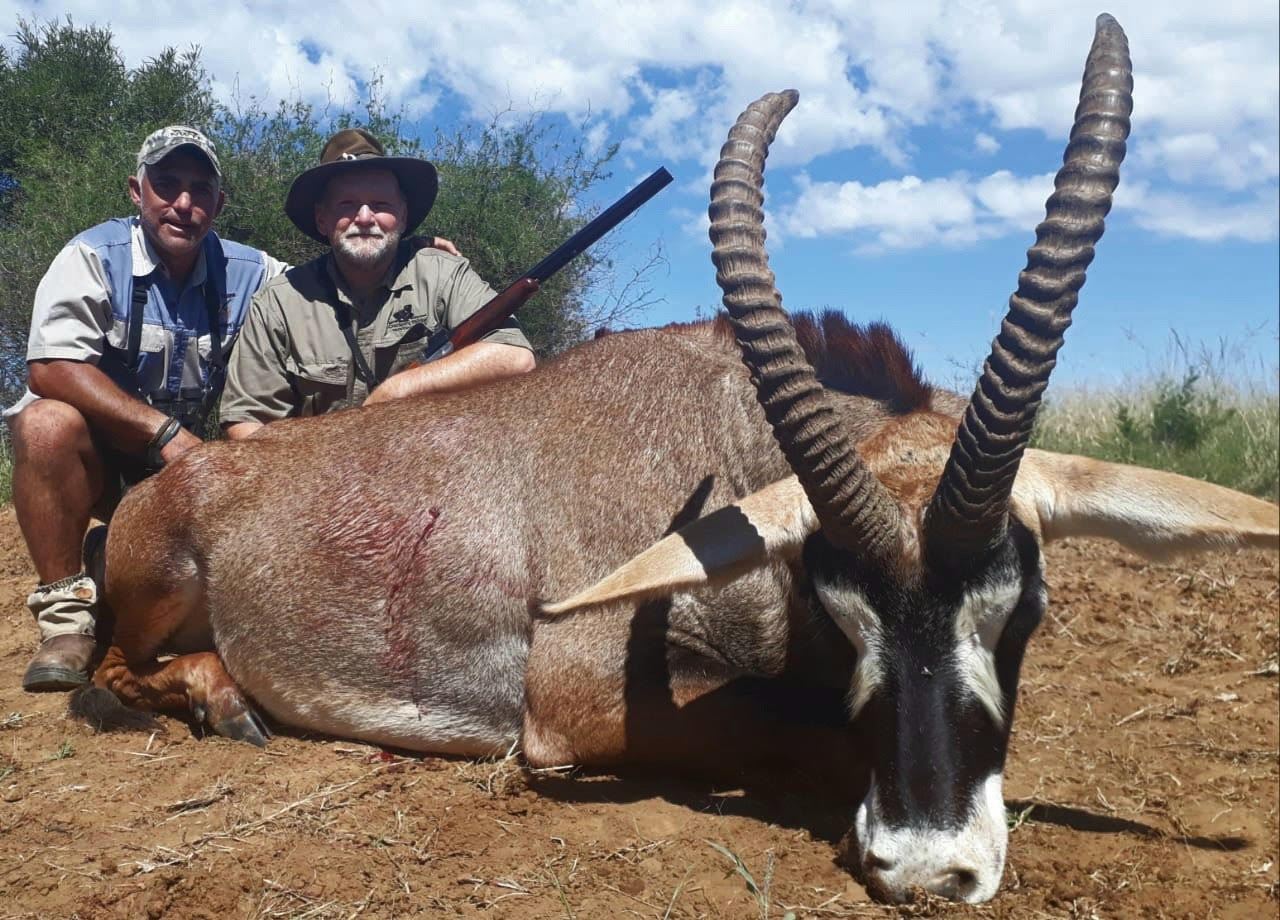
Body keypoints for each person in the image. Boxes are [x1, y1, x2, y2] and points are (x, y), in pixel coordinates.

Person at [3, 126, 287, 691]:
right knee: (43, 422)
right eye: (167, 184)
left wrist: (409, 252)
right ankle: (66, 620)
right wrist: (165, 434)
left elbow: (327, 286)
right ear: (137, 191)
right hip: (111, 464)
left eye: (200, 190)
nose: (183, 203)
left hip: (186, 476)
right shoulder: (91, 256)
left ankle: (111, 561)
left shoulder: (256, 271)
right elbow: (50, 366)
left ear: (219, 204)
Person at [219, 128, 535, 438]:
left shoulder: (443, 273)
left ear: (403, 215)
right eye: (347, 204)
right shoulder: (278, 302)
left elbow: (515, 357)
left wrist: (398, 390)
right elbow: (246, 423)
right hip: (319, 467)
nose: (365, 217)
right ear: (322, 219)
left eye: (381, 205)